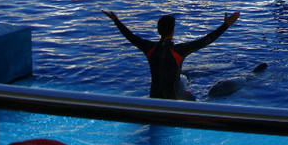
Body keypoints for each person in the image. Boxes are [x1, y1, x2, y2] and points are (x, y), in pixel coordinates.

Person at [102, 10, 240, 100]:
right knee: (192, 97)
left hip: (154, 98)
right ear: (173, 31)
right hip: (174, 100)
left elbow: (129, 36)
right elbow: (206, 40)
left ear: (158, 30)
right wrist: (225, 25)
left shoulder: (149, 48)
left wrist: (116, 20)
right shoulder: (178, 51)